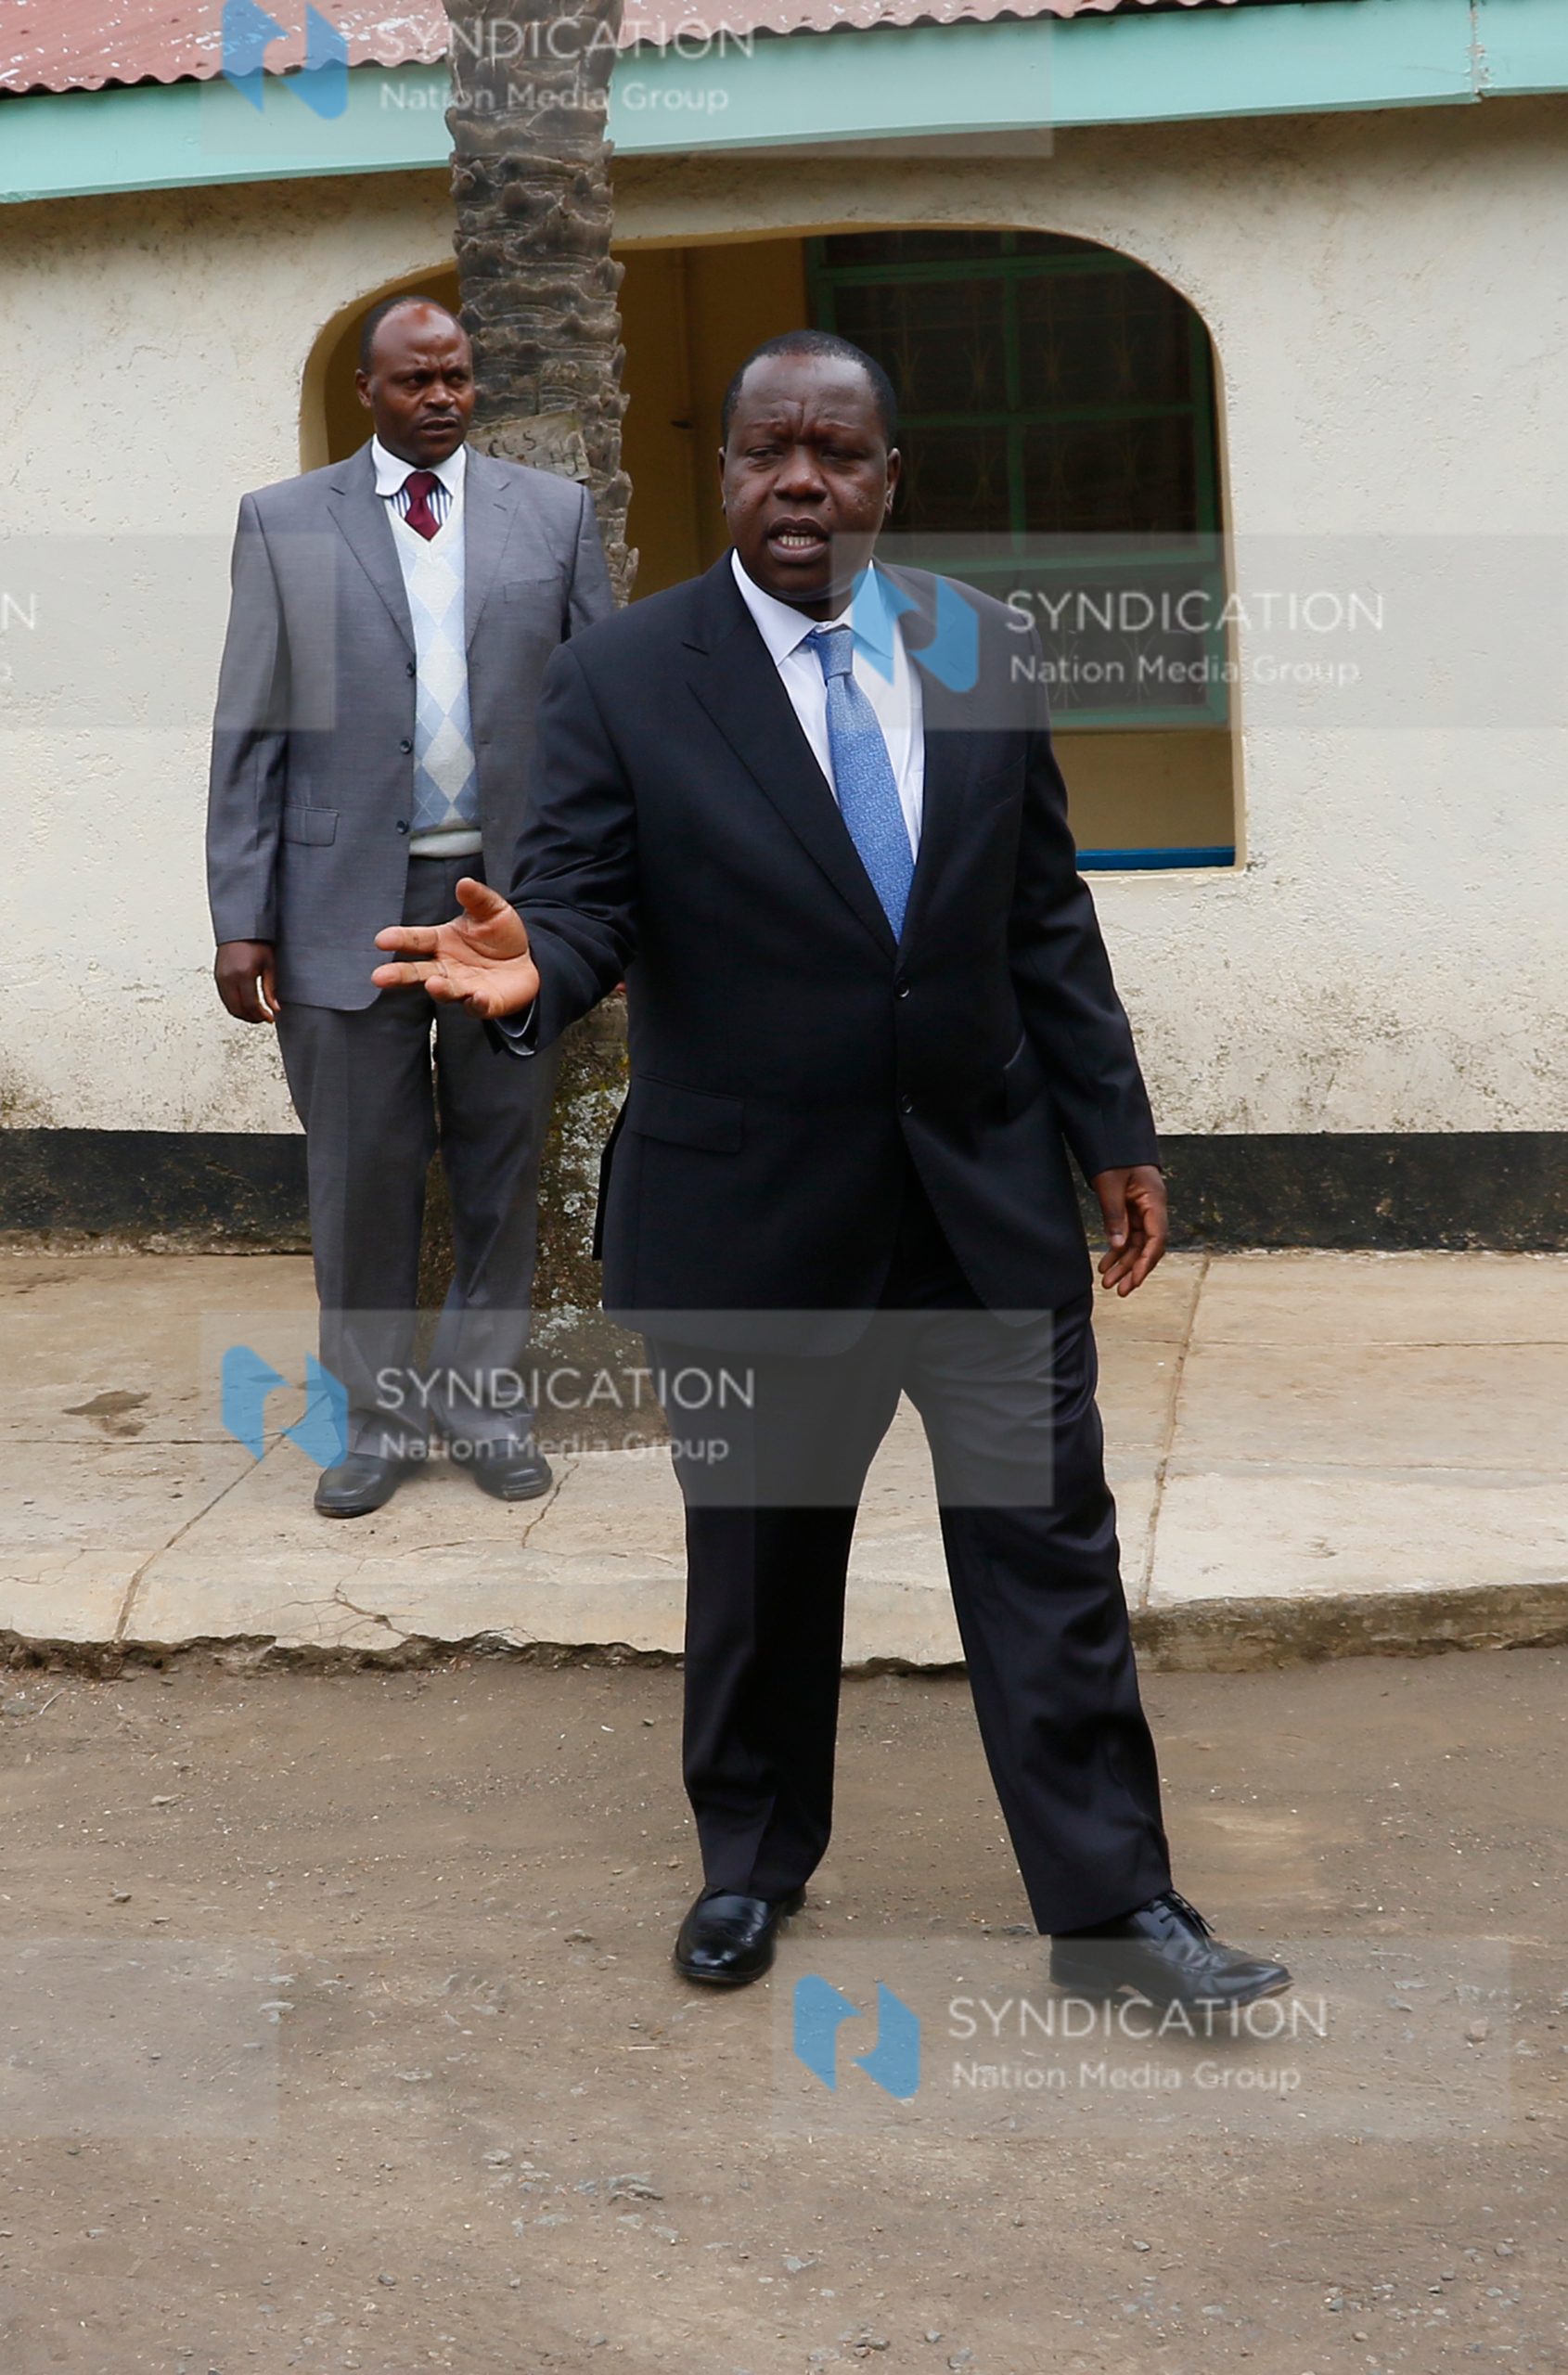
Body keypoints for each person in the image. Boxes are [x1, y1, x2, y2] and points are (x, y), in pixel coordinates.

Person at [372, 330, 1289, 2011]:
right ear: (726, 471)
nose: (800, 481)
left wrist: (1111, 1133)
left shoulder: (980, 644)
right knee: (762, 1569)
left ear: (887, 477)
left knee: (1049, 1560)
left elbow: (1039, 912)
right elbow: (576, 898)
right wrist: (535, 964)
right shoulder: (626, 675)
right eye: (767, 452)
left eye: (837, 453)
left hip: (981, 1203)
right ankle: (748, 1867)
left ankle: (1111, 1914)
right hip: (753, 1219)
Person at [208, 295, 612, 1517]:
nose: (440, 398)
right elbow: (251, 726)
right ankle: (376, 1424)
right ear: (367, 392)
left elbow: (601, 716)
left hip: (506, 905)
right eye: (413, 381)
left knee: (501, 1163)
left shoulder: (552, 515)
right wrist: (241, 914)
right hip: (337, 902)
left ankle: (485, 1409)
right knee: (361, 1177)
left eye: (456, 377)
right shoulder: (286, 522)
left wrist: (600, 898)